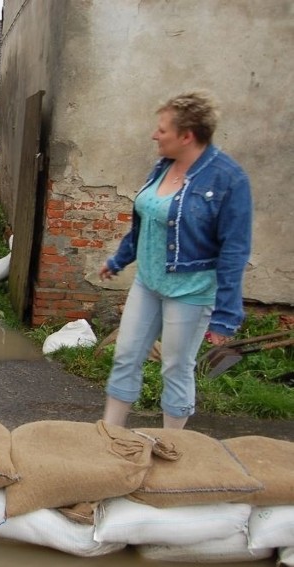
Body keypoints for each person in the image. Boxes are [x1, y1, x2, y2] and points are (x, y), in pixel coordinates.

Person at [99, 90, 252, 429]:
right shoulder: (163, 166)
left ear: (187, 136)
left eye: (162, 130)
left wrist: (225, 315)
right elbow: (146, 222)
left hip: (191, 291)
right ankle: (109, 432)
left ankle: (172, 443)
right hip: (148, 282)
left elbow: (234, 251)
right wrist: (119, 260)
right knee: (126, 356)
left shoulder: (229, 179)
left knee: (175, 366)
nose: (155, 135)